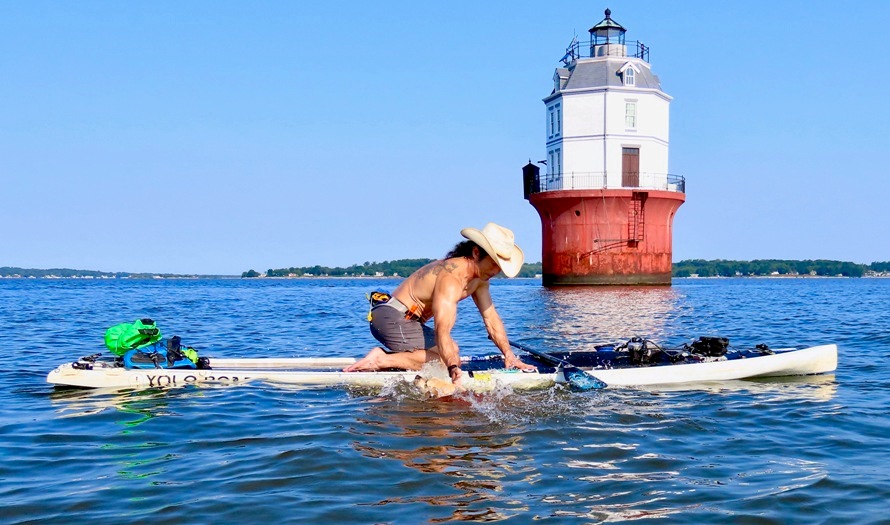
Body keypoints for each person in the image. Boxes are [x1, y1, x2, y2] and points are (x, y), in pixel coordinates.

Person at [343, 222, 536, 387]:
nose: (497, 271)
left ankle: (392, 360)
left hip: (405, 321)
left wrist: (509, 355)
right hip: (390, 317)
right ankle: (381, 359)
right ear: (476, 253)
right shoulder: (452, 276)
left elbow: (491, 318)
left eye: (500, 266)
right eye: (494, 263)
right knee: (448, 356)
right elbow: (442, 330)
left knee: (447, 354)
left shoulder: (479, 280)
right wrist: (452, 367)